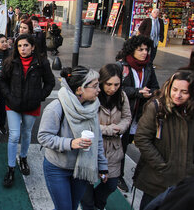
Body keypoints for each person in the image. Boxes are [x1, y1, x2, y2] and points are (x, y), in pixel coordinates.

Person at [38, 66, 108, 210]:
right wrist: (70, 143)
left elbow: (98, 140)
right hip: (57, 168)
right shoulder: (56, 108)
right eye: (95, 86)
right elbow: (43, 137)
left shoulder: (92, 108)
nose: (99, 90)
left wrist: (102, 166)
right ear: (79, 90)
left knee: (73, 207)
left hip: (81, 169)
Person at [133, 70, 194, 209]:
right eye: (175, 89)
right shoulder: (157, 107)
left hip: (185, 182)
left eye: (184, 92)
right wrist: (162, 165)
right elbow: (142, 138)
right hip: (158, 180)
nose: (177, 95)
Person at [0, 34, 55, 187]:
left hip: (32, 105)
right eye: (19, 46)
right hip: (13, 104)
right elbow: (3, 81)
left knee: (26, 133)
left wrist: (40, 96)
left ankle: (23, 157)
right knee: (14, 135)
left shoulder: (42, 63)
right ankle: (11, 168)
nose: (22, 49)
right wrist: (9, 96)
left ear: (33, 47)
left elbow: (50, 82)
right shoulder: (10, 62)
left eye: (25, 45)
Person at [80, 63, 132, 210]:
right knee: (86, 187)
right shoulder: (92, 96)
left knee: (111, 184)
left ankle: (98, 204)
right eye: (108, 84)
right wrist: (109, 129)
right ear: (101, 82)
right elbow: (86, 121)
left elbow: (127, 117)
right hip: (93, 148)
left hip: (114, 149)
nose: (112, 88)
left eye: (116, 84)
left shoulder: (121, 96)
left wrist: (121, 128)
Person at [115, 35, 159, 192]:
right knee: (121, 146)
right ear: (132, 50)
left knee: (137, 143)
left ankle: (136, 174)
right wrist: (137, 92)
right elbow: (116, 88)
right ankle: (117, 175)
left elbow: (155, 87)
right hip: (124, 113)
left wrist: (150, 92)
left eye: (146, 50)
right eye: (140, 49)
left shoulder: (148, 67)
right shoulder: (122, 67)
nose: (144, 53)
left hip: (141, 114)